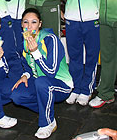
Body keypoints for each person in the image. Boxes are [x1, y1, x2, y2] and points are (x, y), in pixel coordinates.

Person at [10, 8, 73, 139]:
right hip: (40, 82)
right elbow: (27, 66)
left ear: (40, 24)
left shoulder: (51, 39)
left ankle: (47, 123)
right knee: (17, 95)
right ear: (21, 24)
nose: (29, 26)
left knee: (42, 81)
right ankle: (47, 112)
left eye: (33, 22)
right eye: (25, 22)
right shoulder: (24, 42)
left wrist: (36, 52)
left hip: (61, 84)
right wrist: (25, 75)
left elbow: (50, 72)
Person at [58, 0, 101, 106]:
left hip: (92, 18)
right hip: (72, 19)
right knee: (74, 56)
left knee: (91, 56)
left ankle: (87, 89)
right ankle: (76, 87)